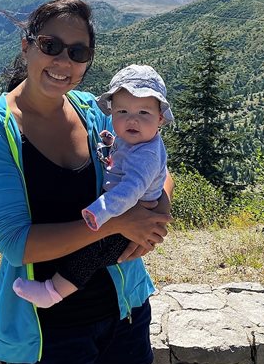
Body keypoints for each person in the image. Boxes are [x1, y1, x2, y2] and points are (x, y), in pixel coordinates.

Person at [0, 0, 173, 364]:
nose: (64, 61)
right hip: (47, 331)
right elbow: (16, 245)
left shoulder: (94, 112)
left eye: (78, 52)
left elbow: (155, 165)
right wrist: (121, 224)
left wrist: (157, 212)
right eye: (50, 45)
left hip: (122, 305)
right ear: (26, 46)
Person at [12, 64, 173, 309]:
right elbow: (122, 152)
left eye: (143, 112)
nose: (132, 119)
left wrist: (101, 212)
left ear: (160, 118)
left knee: (88, 255)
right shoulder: (138, 139)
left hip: (126, 212)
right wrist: (111, 140)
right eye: (122, 111)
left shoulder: (146, 155)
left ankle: (52, 292)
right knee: (88, 252)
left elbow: (130, 189)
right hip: (129, 216)